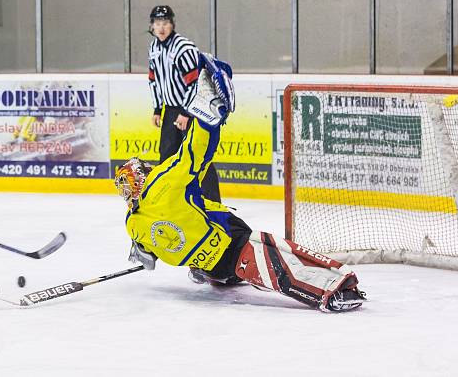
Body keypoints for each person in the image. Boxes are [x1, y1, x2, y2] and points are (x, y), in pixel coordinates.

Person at [115, 54, 366, 312]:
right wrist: (206, 118)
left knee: (214, 246)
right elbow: (192, 153)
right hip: (231, 245)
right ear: (143, 177)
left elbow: (146, 257)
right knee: (280, 259)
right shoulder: (162, 183)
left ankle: (216, 275)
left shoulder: (133, 223)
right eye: (145, 169)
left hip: (211, 269)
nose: (150, 168)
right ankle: (336, 288)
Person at [147, 5, 221, 202]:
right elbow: (154, 80)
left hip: (192, 110)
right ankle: (168, 201)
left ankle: (213, 202)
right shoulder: (154, 48)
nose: (161, 28)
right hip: (170, 110)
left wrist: (186, 112)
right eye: (157, 23)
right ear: (152, 26)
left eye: (165, 23)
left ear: (172, 25)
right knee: (167, 158)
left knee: (199, 157)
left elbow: (196, 83)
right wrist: (157, 108)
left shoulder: (183, 48)